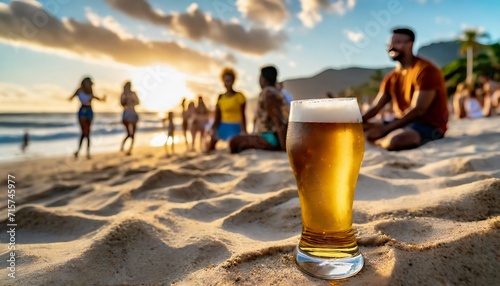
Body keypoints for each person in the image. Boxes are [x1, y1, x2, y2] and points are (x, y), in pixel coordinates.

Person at [362, 28, 449, 151]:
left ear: (410, 44)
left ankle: (380, 141)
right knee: (362, 127)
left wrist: (385, 130)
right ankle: (380, 137)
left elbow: (418, 110)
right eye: (389, 44)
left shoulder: (425, 70)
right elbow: (376, 106)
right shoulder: (390, 77)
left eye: (397, 42)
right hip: (401, 121)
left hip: (429, 125)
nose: (391, 47)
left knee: (395, 140)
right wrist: (357, 121)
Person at [229, 66, 290, 154]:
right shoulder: (278, 92)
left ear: (263, 80)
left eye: (260, 78)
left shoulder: (269, 94)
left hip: (271, 138)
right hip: (270, 136)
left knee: (234, 141)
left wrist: (283, 146)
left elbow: (277, 119)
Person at [208, 68, 247, 151]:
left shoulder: (239, 96)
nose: (227, 83)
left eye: (229, 80)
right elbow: (217, 116)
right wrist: (213, 127)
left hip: (235, 126)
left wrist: (244, 131)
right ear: (223, 82)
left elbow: (243, 114)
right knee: (211, 144)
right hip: (223, 125)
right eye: (225, 81)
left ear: (233, 81)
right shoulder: (220, 97)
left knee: (234, 147)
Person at [68, 77, 106, 159]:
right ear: (84, 82)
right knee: (84, 131)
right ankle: (82, 152)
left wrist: (102, 99)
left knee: (87, 132)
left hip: (89, 111)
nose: (89, 84)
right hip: (82, 111)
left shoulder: (91, 91)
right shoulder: (79, 90)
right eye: (87, 82)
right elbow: (71, 97)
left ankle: (84, 152)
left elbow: (96, 98)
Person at [120, 81, 140, 155]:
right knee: (129, 134)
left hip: (133, 114)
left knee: (133, 134)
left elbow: (138, 102)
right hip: (126, 115)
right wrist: (126, 100)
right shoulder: (123, 94)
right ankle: (122, 146)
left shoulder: (133, 94)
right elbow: (122, 103)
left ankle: (130, 149)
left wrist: (132, 100)